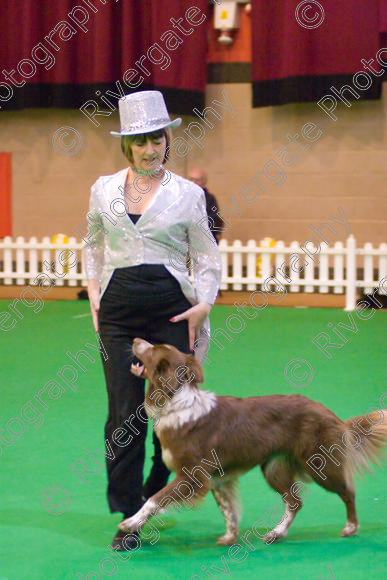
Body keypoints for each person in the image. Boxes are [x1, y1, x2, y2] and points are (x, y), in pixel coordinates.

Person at [83, 91, 221, 551]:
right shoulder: (102, 189)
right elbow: (93, 244)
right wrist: (95, 295)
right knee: (125, 414)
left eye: (157, 139)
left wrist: (204, 303)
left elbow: (205, 256)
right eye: (140, 141)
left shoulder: (189, 194)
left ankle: (155, 491)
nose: (149, 149)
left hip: (171, 310)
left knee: (176, 412)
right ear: (127, 144)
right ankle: (127, 514)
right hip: (119, 315)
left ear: (168, 141)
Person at [188, 168, 224, 243]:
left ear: (204, 183)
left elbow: (212, 219)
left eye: (197, 180)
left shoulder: (210, 199)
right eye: (191, 179)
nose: (193, 182)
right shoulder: (182, 198)